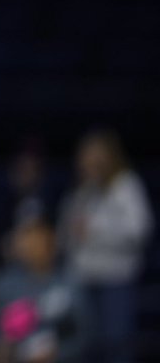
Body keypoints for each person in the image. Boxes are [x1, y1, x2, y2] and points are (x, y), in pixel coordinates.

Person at [57, 129, 152, 363]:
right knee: (85, 345)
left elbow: (138, 230)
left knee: (116, 345)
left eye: (96, 155)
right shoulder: (81, 191)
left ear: (109, 156)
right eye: (86, 155)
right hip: (83, 278)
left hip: (115, 280)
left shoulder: (126, 186)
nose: (90, 161)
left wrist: (95, 231)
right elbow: (66, 234)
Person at [0, 217, 89, 363]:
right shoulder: (5, 284)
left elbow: (83, 336)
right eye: (28, 243)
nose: (31, 249)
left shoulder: (69, 282)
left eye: (37, 243)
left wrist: (58, 354)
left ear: (51, 245)